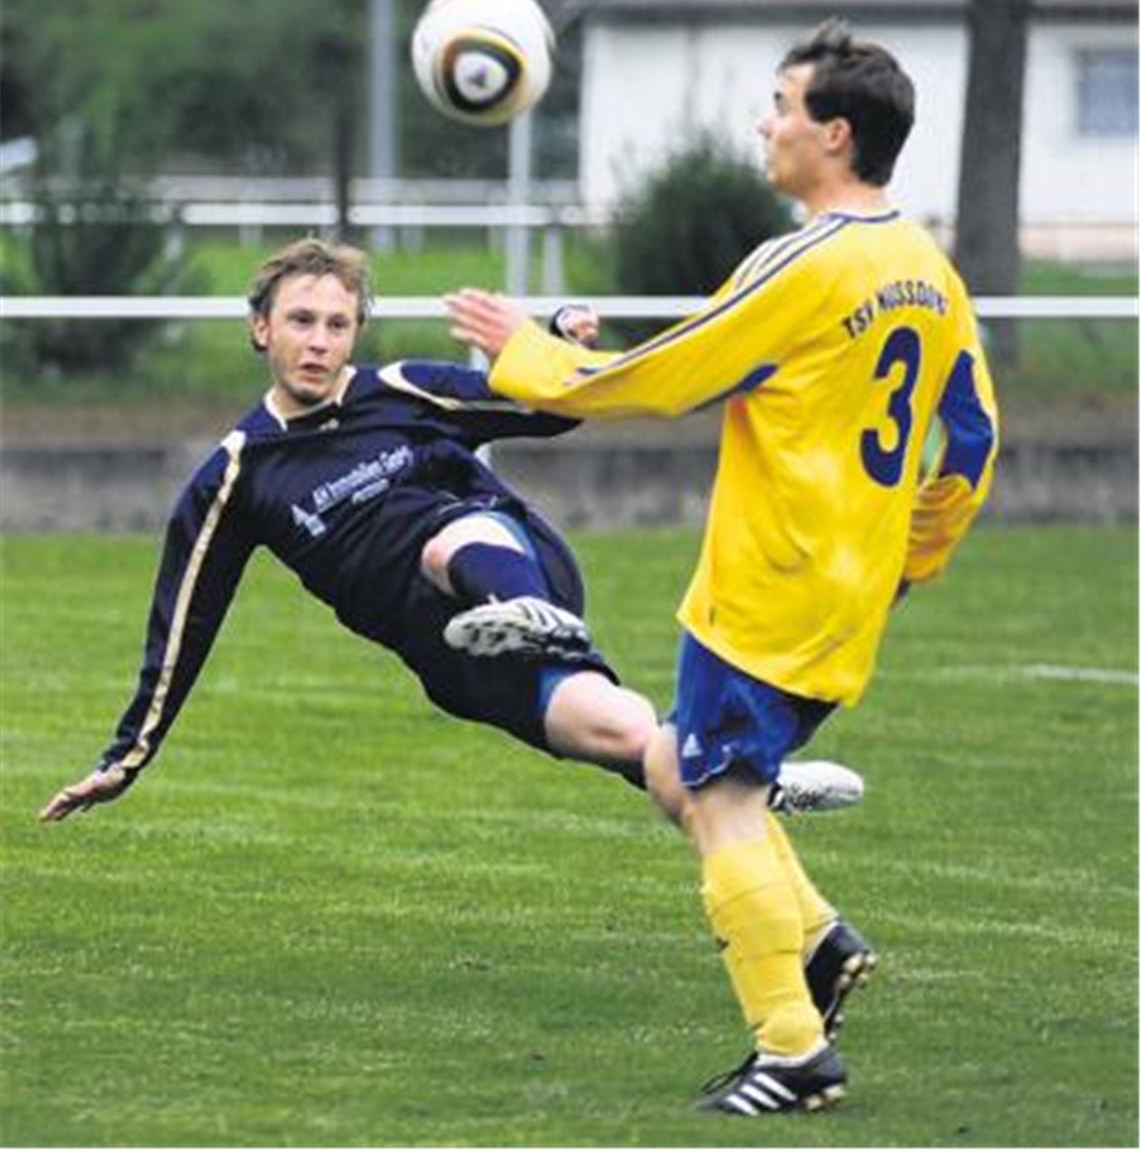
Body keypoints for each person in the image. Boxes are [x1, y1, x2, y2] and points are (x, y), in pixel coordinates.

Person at [446, 19, 999, 1116]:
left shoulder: (806, 264)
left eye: (783, 106)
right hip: (845, 597)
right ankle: (823, 943)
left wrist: (525, 352)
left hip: (766, 591)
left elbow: (664, 375)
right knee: (682, 773)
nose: (766, 122)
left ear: (834, 135)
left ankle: (793, 1051)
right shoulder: (927, 271)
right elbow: (973, 437)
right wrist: (912, 559)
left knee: (725, 801)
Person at [39, 237, 860, 834]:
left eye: (337, 323)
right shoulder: (236, 475)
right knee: (623, 734)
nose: (320, 341)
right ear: (261, 329)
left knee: (442, 537)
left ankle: (530, 612)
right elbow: (185, 624)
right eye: (301, 321)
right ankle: (751, 785)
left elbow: (547, 411)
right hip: (454, 658)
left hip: (509, 560)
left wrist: (559, 345)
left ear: (357, 331)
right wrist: (127, 756)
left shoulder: (402, 389)